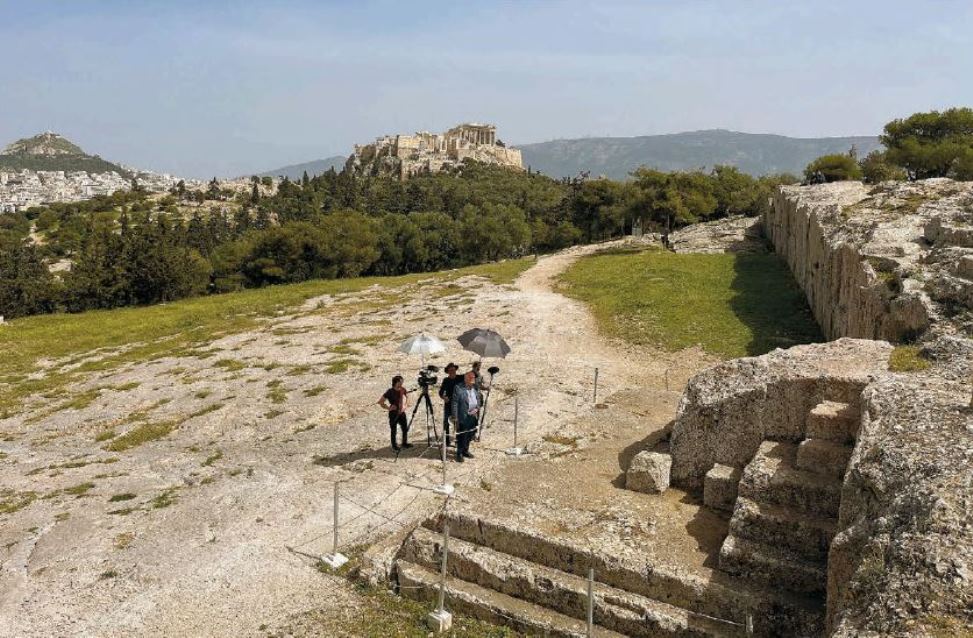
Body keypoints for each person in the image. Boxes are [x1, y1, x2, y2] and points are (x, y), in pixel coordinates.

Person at [451, 371, 479, 462]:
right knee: (462, 435)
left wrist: (477, 408)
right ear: (466, 378)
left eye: (474, 377)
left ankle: (465, 450)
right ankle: (459, 453)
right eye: (471, 377)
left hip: (473, 415)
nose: (473, 379)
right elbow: (454, 403)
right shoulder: (458, 388)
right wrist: (455, 417)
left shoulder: (475, 387)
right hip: (463, 415)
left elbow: (478, 399)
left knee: (471, 433)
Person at [378, 375, 412, 451]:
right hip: (393, 413)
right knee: (394, 430)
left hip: (402, 412)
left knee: (405, 428)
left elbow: (408, 397)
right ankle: (394, 446)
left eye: (402, 382)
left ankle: (404, 443)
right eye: (400, 382)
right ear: (395, 382)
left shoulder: (403, 389)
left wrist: (405, 406)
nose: (402, 383)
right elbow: (380, 402)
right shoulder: (390, 391)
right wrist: (388, 408)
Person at [438, 363, 460, 447]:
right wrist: (444, 397)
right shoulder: (445, 380)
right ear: (448, 372)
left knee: (457, 423)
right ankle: (446, 441)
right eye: (450, 370)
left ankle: (458, 441)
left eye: (453, 370)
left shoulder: (460, 378)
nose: (452, 371)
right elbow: (440, 392)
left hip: (458, 404)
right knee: (446, 422)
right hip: (448, 404)